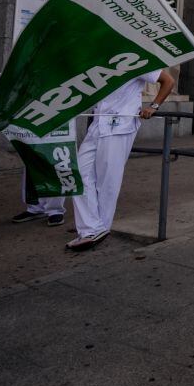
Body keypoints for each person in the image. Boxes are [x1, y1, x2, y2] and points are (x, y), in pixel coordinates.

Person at [66, 67, 174, 251]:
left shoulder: (136, 57)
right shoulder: (99, 60)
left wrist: (153, 106)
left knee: (108, 180)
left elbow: (168, 81)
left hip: (120, 126)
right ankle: (92, 227)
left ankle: (99, 228)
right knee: (78, 172)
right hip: (98, 124)